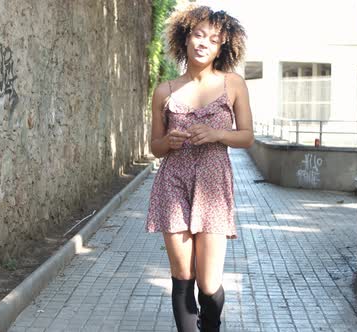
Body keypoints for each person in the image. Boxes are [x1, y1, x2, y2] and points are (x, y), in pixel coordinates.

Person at [145, 5, 254, 332]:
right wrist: (170, 142)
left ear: (223, 47)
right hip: (173, 185)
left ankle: (211, 326)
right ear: (186, 37)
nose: (204, 43)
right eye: (198, 34)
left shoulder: (233, 84)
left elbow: (247, 137)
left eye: (214, 39)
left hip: (213, 187)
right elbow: (155, 146)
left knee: (208, 283)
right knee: (182, 277)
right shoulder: (164, 90)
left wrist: (217, 134)